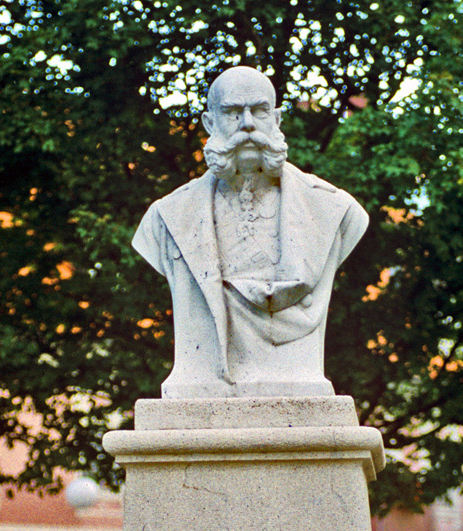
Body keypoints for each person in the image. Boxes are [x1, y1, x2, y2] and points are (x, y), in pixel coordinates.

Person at [132, 66, 369, 398]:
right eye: (231, 112)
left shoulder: (333, 211)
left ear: (277, 120)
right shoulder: (168, 218)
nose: (247, 124)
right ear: (209, 123)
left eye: (258, 111)